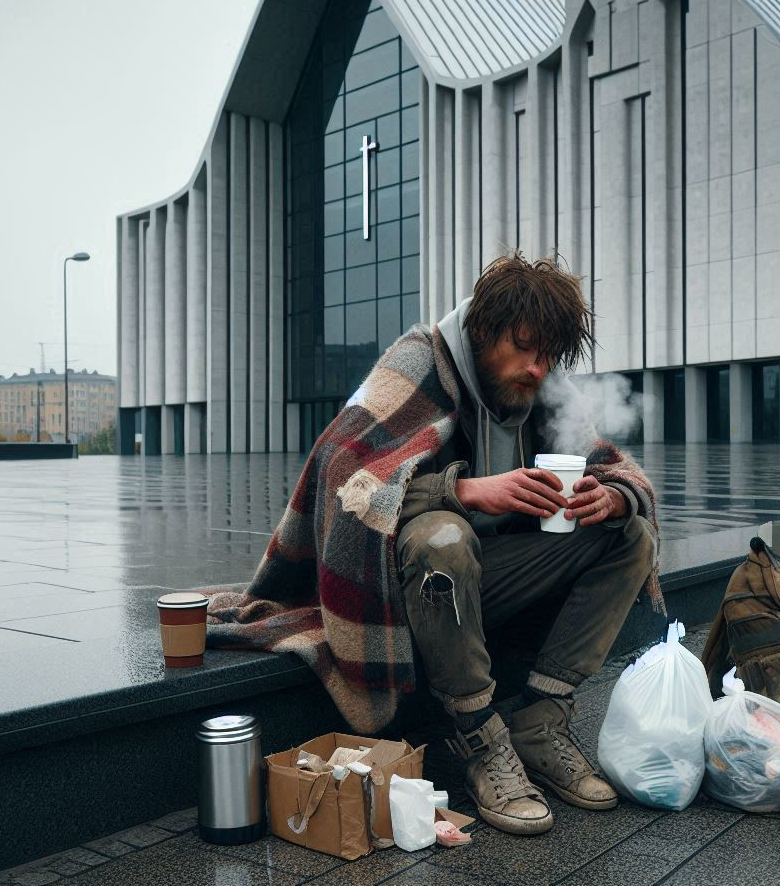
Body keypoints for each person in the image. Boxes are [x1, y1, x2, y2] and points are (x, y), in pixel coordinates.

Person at [203, 251, 663, 837]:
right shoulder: (423, 358)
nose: (535, 368)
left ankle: (541, 722)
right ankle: (478, 737)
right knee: (443, 535)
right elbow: (345, 478)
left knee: (632, 533)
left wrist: (615, 497)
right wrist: (464, 490)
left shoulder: (542, 385)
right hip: (408, 588)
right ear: (484, 331)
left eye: (548, 355)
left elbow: (619, 469)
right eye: (522, 347)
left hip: (489, 582)